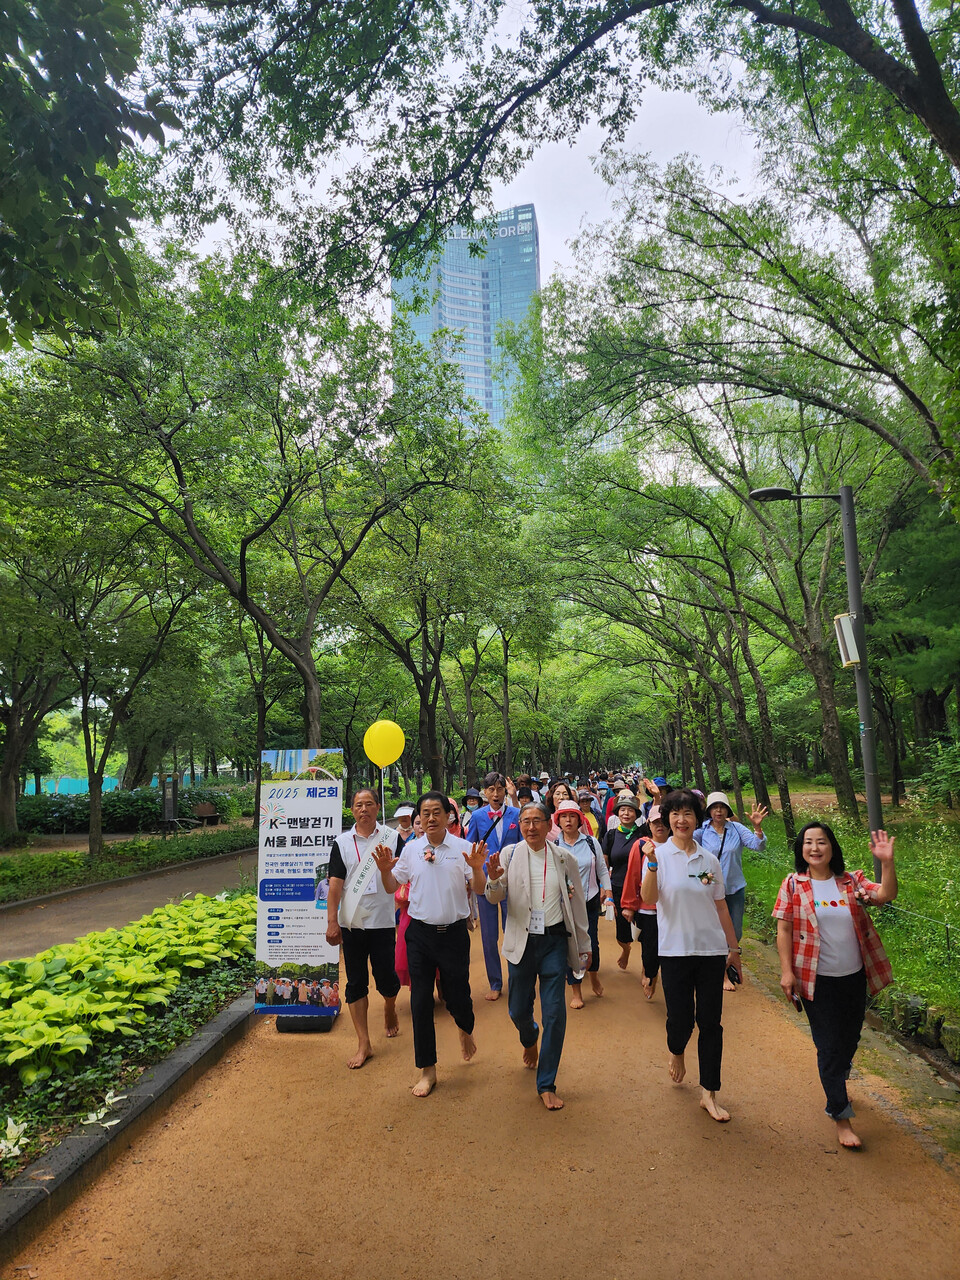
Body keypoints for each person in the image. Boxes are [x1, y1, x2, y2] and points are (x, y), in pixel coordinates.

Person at [774, 823, 897, 1150]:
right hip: (816, 981)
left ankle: (837, 1076)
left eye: (822, 842)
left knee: (848, 1039)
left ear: (832, 847)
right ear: (801, 849)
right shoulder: (792, 884)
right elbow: (783, 930)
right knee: (829, 1047)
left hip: (854, 977)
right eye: (808, 843)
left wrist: (886, 862)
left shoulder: (851, 880)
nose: (815, 848)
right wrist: (787, 973)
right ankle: (840, 1115)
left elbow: (884, 895)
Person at [373, 792, 487, 1097]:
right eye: (426, 813)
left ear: (449, 817)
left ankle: (465, 1028)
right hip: (420, 935)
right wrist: (385, 870)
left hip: (453, 936)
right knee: (420, 1001)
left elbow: (479, 889)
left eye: (438, 812)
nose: (432, 818)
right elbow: (391, 887)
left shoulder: (463, 849)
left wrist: (477, 868)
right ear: (418, 819)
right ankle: (428, 1070)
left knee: (458, 997)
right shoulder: (410, 851)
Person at [640, 788, 743, 1123]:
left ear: (696, 819)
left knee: (711, 1023)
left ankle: (709, 1093)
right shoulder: (657, 855)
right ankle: (677, 1049)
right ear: (667, 820)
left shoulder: (708, 860)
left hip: (711, 950)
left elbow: (720, 905)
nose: (681, 820)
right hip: (675, 951)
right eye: (675, 814)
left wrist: (733, 948)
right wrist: (653, 865)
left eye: (687, 814)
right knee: (680, 1019)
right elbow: (649, 897)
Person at [485, 802, 592, 1110]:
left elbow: (578, 904)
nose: (531, 827)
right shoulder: (509, 855)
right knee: (518, 1010)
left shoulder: (563, 858)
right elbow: (494, 897)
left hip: (554, 942)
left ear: (549, 825)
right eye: (526, 821)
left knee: (556, 1013)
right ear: (520, 825)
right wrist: (492, 879)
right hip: (521, 941)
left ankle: (546, 1083)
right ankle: (529, 1035)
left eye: (537, 821)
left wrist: (585, 944)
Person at [325, 788, 402, 1068]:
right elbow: (334, 884)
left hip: (382, 921)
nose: (364, 809)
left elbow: (403, 876)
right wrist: (332, 921)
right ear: (352, 809)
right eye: (359, 805)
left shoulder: (392, 838)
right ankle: (363, 1043)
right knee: (356, 981)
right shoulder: (342, 842)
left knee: (386, 977)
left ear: (378, 807)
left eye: (369, 804)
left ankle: (390, 1007)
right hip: (352, 923)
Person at [696, 791, 768, 989]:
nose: (718, 811)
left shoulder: (736, 828)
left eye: (722, 807)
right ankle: (722, 974)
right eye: (714, 807)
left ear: (727, 810)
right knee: (714, 931)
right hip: (710, 891)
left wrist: (757, 828)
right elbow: (690, 856)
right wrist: (702, 877)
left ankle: (728, 962)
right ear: (709, 811)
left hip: (735, 889)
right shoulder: (701, 832)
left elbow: (758, 846)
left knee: (734, 932)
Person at [466, 771, 521, 1000]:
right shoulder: (477, 817)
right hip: (485, 883)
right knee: (488, 937)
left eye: (500, 789)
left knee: (514, 933)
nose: (496, 794)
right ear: (485, 793)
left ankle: (517, 980)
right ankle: (495, 983)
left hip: (512, 882)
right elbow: (469, 846)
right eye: (491, 790)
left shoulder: (517, 814)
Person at [553, 799, 613, 1008]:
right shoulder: (554, 846)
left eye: (572, 816)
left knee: (591, 943)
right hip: (565, 904)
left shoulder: (590, 842)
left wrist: (607, 889)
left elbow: (602, 869)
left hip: (589, 900)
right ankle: (576, 990)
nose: (568, 820)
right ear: (558, 820)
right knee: (571, 945)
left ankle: (594, 975)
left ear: (579, 819)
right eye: (563, 816)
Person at [620, 803, 668, 1000]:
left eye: (664, 822)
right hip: (648, 909)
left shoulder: (677, 844)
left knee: (667, 949)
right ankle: (650, 973)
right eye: (656, 822)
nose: (660, 826)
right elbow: (631, 875)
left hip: (671, 908)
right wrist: (629, 905)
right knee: (649, 948)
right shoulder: (641, 845)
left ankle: (655, 975)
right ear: (648, 823)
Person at [602, 791, 643, 970]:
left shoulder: (643, 832)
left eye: (630, 810)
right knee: (622, 932)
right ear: (617, 813)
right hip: (619, 887)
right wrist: (606, 888)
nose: (626, 813)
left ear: (636, 814)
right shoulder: (610, 835)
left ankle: (647, 969)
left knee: (646, 929)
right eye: (623, 810)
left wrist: (657, 798)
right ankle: (625, 950)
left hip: (641, 888)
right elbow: (604, 864)